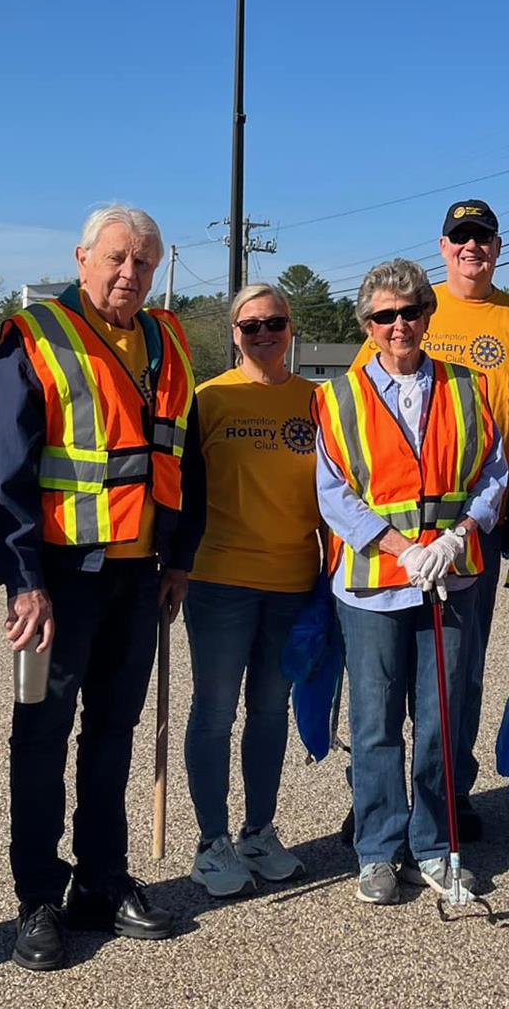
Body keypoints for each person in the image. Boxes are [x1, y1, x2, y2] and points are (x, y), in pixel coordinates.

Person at [0, 204, 203, 972]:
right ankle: (39, 893)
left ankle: (102, 880)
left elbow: (185, 455)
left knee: (114, 732)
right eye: (115, 259)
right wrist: (22, 580)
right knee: (41, 734)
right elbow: (2, 475)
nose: (128, 274)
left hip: (140, 578)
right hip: (61, 582)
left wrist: (179, 556)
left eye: (143, 263)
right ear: (82, 258)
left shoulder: (168, 338)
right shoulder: (33, 336)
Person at [350, 199, 509, 842]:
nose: (472, 248)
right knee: (383, 680)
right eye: (461, 238)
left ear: (498, 246)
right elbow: (359, 416)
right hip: (393, 535)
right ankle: (381, 804)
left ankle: (448, 794)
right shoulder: (403, 305)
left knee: (456, 671)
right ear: (443, 247)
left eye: (483, 238)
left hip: (476, 522)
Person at [316, 258, 508, 906]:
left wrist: (457, 536)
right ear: (367, 324)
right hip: (374, 585)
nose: (398, 325)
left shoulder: (469, 387)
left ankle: (435, 844)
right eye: (383, 316)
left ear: (427, 314)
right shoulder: (338, 397)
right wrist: (402, 547)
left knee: (441, 721)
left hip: (451, 578)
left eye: (409, 312)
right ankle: (378, 847)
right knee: (373, 723)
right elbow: (334, 493)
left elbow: (493, 473)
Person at [180, 283, 319, 898]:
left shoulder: (318, 402)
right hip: (219, 582)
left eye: (275, 323)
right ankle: (213, 842)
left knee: (270, 711)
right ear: (234, 333)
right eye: (250, 325)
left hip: (293, 582)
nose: (264, 334)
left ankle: (259, 831)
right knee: (213, 713)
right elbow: (180, 495)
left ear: (292, 329)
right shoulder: (207, 400)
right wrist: (170, 568)